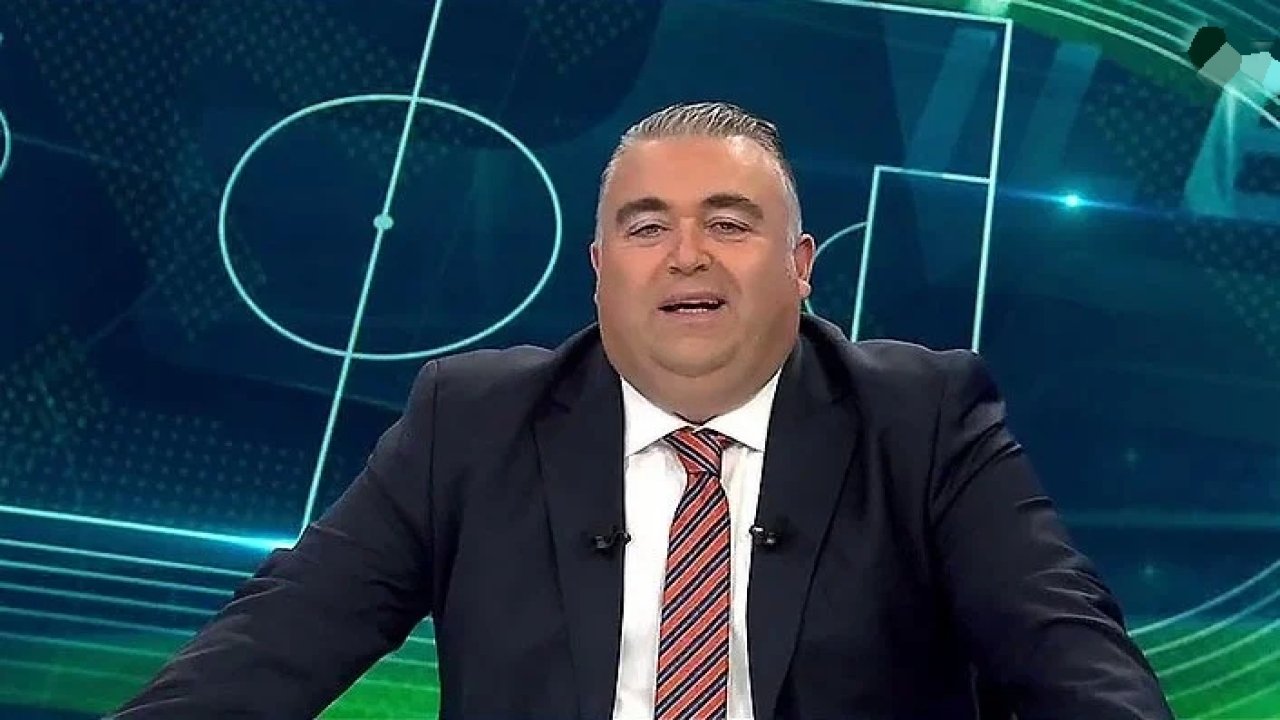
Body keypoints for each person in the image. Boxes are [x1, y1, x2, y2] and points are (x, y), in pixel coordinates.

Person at [109, 101, 1174, 719]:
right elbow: (271, 647)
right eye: (647, 226)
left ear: (802, 266)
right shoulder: (470, 423)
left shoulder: (922, 419)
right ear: (599, 267)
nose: (687, 255)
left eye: (729, 223)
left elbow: (1070, 657)